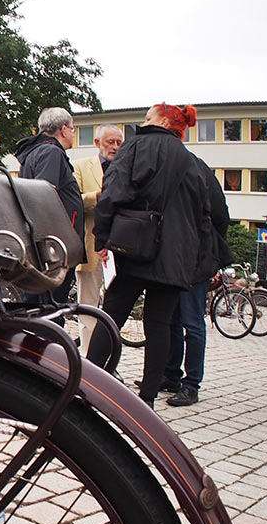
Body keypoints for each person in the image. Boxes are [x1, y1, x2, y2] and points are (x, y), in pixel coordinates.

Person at [86, 103, 208, 406]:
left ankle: (87, 384)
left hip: (136, 246)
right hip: (176, 257)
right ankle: (148, 399)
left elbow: (113, 191)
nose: (144, 122)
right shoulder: (193, 162)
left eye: (148, 117)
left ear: (164, 121)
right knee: (160, 325)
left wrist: (102, 236)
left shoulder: (138, 146)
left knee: (111, 316)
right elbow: (208, 213)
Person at [163, 152, 231, 407]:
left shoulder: (196, 168)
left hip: (195, 258)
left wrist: (211, 253)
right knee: (172, 319)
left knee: (191, 322)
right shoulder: (174, 166)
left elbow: (220, 215)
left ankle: (191, 385)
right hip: (176, 257)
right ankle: (170, 374)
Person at [15, 107, 83, 305]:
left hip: (47, 245)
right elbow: (45, 194)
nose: (73, 133)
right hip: (55, 247)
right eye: (73, 129)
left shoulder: (36, 152)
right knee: (50, 306)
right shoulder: (51, 152)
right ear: (63, 129)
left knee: (40, 304)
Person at [72, 124, 123, 353]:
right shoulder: (81, 167)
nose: (114, 147)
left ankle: (108, 357)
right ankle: (87, 358)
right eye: (110, 142)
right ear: (97, 143)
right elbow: (74, 201)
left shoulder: (127, 169)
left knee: (115, 309)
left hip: (121, 249)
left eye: (118, 142)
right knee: (87, 306)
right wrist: (99, 197)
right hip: (92, 248)